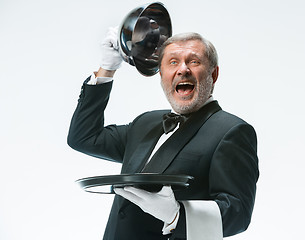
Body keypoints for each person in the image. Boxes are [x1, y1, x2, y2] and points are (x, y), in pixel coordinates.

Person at [67, 27, 259, 240]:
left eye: (193, 61)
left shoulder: (232, 131)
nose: (182, 69)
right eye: (173, 62)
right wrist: (107, 69)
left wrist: (176, 215)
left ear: (213, 74)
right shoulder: (146, 122)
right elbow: (84, 137)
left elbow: (238, 213)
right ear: (161, 75)